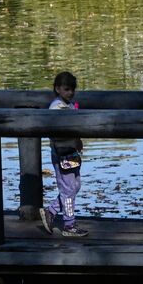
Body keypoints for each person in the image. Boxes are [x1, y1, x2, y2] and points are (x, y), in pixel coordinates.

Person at [41, 71, 89, 238]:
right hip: (62, 153)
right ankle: (69, 224)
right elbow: (57, 129)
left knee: (74, 186)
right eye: (67, 89)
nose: (70, 93)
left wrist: (78, 140)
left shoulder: (69, 105)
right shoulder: (56, 107)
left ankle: (51, 211)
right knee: (68, 188)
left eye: (72, 90)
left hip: (71, 152)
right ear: (58, 89)